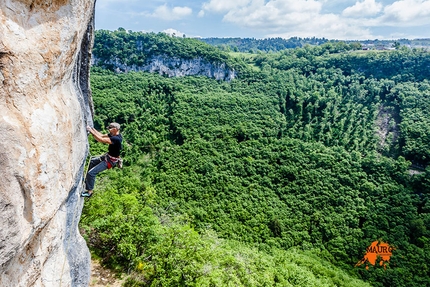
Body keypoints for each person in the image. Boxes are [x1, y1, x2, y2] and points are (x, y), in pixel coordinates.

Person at [81, 122, 123, 197]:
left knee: (91, 173)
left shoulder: (116, 139)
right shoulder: (114, 135)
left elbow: (101, 140)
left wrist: (91, 131)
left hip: (110, 161)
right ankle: (88, 180)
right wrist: (93, 129)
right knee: (92, 161)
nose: (109, 130)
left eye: (110, 129)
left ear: (115, 129)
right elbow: (102, 135)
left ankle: (89, 192)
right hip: (107, 157)